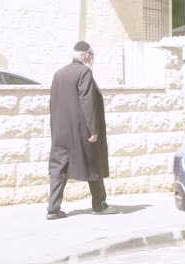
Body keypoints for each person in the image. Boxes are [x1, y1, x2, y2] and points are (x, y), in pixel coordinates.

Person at [47, 41, 117, 220]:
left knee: (59, 166)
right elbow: (87, 101)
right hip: (81, 130)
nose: (92, 59)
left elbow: (52, 103)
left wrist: (54, 128)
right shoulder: (84, 72)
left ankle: (53, 209)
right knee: (93, 163)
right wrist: (93, 129)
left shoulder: (59, 73)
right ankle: (99, 205)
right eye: (92, 55)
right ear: (86, 55)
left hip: (61, 130)